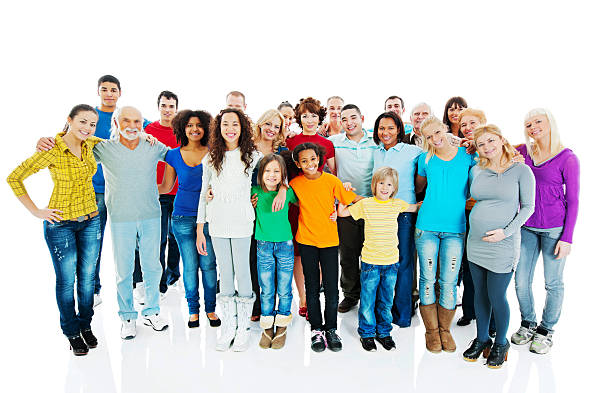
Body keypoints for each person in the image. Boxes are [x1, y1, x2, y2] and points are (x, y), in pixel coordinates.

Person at [35, 106, 170, 340]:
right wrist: (44, 141)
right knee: (124, 270)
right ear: (116, 123)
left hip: (151, 215)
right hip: (121, 218)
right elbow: (74, 146)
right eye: (126, 120)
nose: (132, 126)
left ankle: (152, 311)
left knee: (153, 267)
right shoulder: (103, 148)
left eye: (137, 121)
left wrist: (167, 187)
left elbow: (177, 158)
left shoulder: (152, 145)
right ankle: (127, 316)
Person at [8, 104, 102, 356]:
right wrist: (36, 211)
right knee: (65, 281)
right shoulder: (52, 149)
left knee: (87, 280)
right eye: (82, 122)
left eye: (92, 124)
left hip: (91, 219)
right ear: (69, 120)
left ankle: (86, 325)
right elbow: (14, 177)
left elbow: (119, 144)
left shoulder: (91, 144)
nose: (87, 128)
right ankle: (72, 331)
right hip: (60, 224)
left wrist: (145, 136)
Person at [462, 125, 535, 369]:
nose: (487, 147)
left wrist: (505, 232)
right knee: (480, 294)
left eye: (491, 141)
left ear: (502, 140)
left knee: (496, 295)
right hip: (475, 242)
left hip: (503, 244)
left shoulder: (521, 170)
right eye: (481, 144)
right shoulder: (477, 169)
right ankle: (482, 339)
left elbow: (528, 208)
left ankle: (501, 342)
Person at [511, 108, 580, 354]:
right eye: (528, 124)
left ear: (549, 123)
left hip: (554, 230)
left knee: (553, 283)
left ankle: (546, 330)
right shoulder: (522, 151)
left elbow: (573, 200)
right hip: (527, 227)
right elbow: (494, 148)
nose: (533, 127)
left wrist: (567, 237)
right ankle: (528, 323)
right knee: (521, 281)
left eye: (538, 122)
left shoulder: (567, 158)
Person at [196, 108, 262, 352]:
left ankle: (243, 326)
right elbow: (204, 192)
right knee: (226, 271)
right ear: (219, 128)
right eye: (225, 124)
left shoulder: (253, 156)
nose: (230, 128)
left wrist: (256, 197)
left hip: (243, 221)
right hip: (218, 222)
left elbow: (268, 181)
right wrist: (200, 227)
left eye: (235, 123)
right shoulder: (211, 158)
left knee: (243, 272)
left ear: (242, 127)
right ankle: (229, 326)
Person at [338, 167, 421, 352]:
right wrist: (345, 192)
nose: (385, 187)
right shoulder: (366, 204)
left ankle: (384, 332)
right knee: (367, 300)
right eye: (381, 183)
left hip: (391, 263)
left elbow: (415, 207)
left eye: (389, 184)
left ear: (394, 188)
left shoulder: (397, 204)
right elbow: (342, 213)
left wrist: (427, 203)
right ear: (374, 185)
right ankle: (367, 333)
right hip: (370, 263)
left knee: (386, 300)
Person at [290, 142, 363, 352]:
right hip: (306, 242)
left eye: (313, 159)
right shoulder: (295, 183)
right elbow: (291, 199)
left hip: (330, 241)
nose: (310, 164)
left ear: (319, 159)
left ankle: (331, 328)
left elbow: (350, 199)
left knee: (331, 288)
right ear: (298, 164)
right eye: (304, 161)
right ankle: (316, 330)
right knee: (312, 288)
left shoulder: (332, 180)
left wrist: (376, 201)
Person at [414, 115, 476, 353]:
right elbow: (419, 187)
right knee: (427, 278)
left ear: (445, 129)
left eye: (437, 133)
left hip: (455, 228)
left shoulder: (467, 155)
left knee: (448, 281)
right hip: (426, 226)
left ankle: (445, 330)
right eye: (428, 137)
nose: (435, 139)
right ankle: (431, 331)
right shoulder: (425, 159)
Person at [158, 109, 220, 328]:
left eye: (199, 125)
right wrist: (138, 191)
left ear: (206, 128)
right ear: (182, 128)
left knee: (209, 265)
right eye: (189, 125)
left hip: (210, 217)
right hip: (182, 217)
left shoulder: (214, 152)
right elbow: (166, 186)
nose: (194, 129)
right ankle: (193, 311)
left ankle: (211, 309)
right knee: (190, 266)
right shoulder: (173, 154)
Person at [285, 97, 336, 318]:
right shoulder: (290, 142)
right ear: (299, 118)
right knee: (299, 251)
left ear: (319, 118)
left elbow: (333, 175)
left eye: (314, 115)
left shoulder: (327, 144)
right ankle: (303, 296)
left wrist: (336, 204)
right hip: (296, 204)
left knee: (322, 248)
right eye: (305, 115)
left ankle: (317, 291)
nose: (309, 119)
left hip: (321, 205)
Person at [372, 111, 422, 327]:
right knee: (382, 262)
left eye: (391, 128)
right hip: (379, 215)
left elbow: (423, 177)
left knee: (403, 263)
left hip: (403, 214)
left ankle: (402, 314)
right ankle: (382, 310)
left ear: (400, 130)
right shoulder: (375, 153)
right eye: (382, 128)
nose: (386, 132)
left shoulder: (413, 151)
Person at [133, 90, 181, 304]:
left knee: (177, 238)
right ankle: (159, 283)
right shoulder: (149, 129)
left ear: (176, 109)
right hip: (158, 192)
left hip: (180, 193)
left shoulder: (182, 130)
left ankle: (173, 276)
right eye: (164, 105)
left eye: (171, 106)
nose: (167, 110)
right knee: (158, 240)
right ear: (158, 107)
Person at [329, 104, 377, 313]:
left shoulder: (376, 141)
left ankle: (370, 295)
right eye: (344, 119)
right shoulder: (334, 142)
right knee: (348, 255)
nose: (349, 123)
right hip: (346, 207)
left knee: (370, 255)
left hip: (373, 207)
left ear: (362, 118)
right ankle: (350, 295)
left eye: (353, 118)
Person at [252, 154, 297, 349]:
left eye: (276, 171)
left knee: (285, 287)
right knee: (267, 288)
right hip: (263, 245)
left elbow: (307, 203)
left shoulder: (287, 192)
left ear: (283, 174)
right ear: (261, 174)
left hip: (285, 245)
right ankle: (267, 324)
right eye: (268, 171)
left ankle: (282, 324)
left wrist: (284, 188)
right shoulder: (253, 192)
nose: (272, 175)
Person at [249, 110, 288, 321]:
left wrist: (282, 189)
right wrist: (249, 199)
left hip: (274, 210)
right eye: (268, 124)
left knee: (276, 260)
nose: (272, 130)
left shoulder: (282, 151)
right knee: (255, 259)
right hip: (252, 209)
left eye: (277, 126)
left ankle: (278, 307)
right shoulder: (247, 148)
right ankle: (259, 305)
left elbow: (288, 179)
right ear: (261, 124)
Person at [91, 75, 121, 307]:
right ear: (98, 91)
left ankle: (135, 286)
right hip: (96, 190)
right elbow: (65, 138)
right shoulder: (89, 116)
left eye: (113, 89)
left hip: (122, 190)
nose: (109, 93)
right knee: (94, 240)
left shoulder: (126, 117)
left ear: (120, 92)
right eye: (105, 89)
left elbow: (149, 130)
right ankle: (92, 288)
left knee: (128, 240)